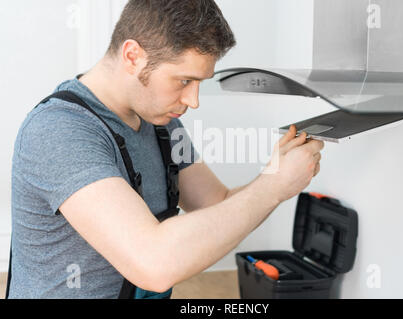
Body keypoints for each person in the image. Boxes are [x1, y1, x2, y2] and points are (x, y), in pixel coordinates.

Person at [9, 0, 324, 299]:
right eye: (184, 80)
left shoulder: (163, 123)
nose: (193, 100)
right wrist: (273, 188)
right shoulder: (59, 131)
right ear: (133, 56)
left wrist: (276, 174)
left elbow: (217, 204)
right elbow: (153, 263)